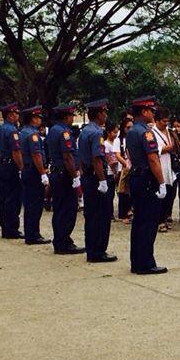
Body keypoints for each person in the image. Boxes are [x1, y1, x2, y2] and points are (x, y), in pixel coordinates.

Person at [127, 96, 168, 274]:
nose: (153, 113)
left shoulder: (131, 131)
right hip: (146, 178)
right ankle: (146, 263)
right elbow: (153, 158)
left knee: (139, 222)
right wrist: (161, 182)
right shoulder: (146, 132)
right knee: (148, 223)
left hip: (136, 176)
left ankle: (137, 261)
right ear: (144, 112)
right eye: (151, 110)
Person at [78, 99, 116, 263]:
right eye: (104, 112)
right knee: (101, 215)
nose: (106, 115)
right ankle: (98, 250)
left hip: (87, 176)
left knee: (91, 215)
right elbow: (97, 159)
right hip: (95, 177)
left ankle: (92, 249)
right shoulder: (96, 133)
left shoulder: (85, 131)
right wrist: (102, 180)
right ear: (99, 114)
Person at [47, 104, 84, 254]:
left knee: (60, 208)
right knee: (67, 209)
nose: (72, 118)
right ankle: (63, 242)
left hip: (58, 173)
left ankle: (61, 240)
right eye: (71, 116)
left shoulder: (54, 130)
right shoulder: (64, 132)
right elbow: (67, 156)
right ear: (65, 117)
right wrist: (74, 176)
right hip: (64, 174)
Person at [19, 106, 51, 245]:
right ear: (33, 119)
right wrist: (43, 173)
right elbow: (36, 155)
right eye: (38, 118)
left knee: (29, 203)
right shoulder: (33, 134)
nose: (40, 121)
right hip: (34, 171)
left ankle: (30, 233)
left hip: (27, 169)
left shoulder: (23, 132)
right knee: (35, 204)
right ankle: (33, 235)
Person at [0, 103, 24, 239]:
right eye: (15, 114)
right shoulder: (12, 130)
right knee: (13, 198)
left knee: (4, 198)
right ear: (10, 115)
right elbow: (16, 152)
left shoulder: (1, 129)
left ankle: (5, 227)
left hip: (2, 165)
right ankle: (12, 228)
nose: (17, 116)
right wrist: (21, 168)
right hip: (10, 166)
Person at [151, 107, 178, 233]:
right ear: (157, 120)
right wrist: (166, 148)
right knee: (159, 195)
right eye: (163, 121)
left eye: (167, 121)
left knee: (170, 194)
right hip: (159, 165)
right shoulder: (152, 133)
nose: (165, 123)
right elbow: (153, 150)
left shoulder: (169, 131)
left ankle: (165, 217)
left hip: (169, 166)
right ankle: (159, 221)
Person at [103, 122, 121, 221]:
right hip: (110, 172)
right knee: (109, 195)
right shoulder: (106, 144)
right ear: (109, 132)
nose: (116, 134)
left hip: (117, 171)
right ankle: (109, 214)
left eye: (117, 132)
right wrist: (115, 172)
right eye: (114, 132)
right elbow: (109, 159)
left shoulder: (116, 143)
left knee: (116, 193)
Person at [117, 117, 133, 223]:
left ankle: (130, 211)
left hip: (133, 167)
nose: (130, 129)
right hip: (122, 167)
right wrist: (126, 164)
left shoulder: (133, 137)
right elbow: (117, 155)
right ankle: (123, 214)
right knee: (122, 191)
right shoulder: (119, 140)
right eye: (128, 127)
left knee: (131, 191)